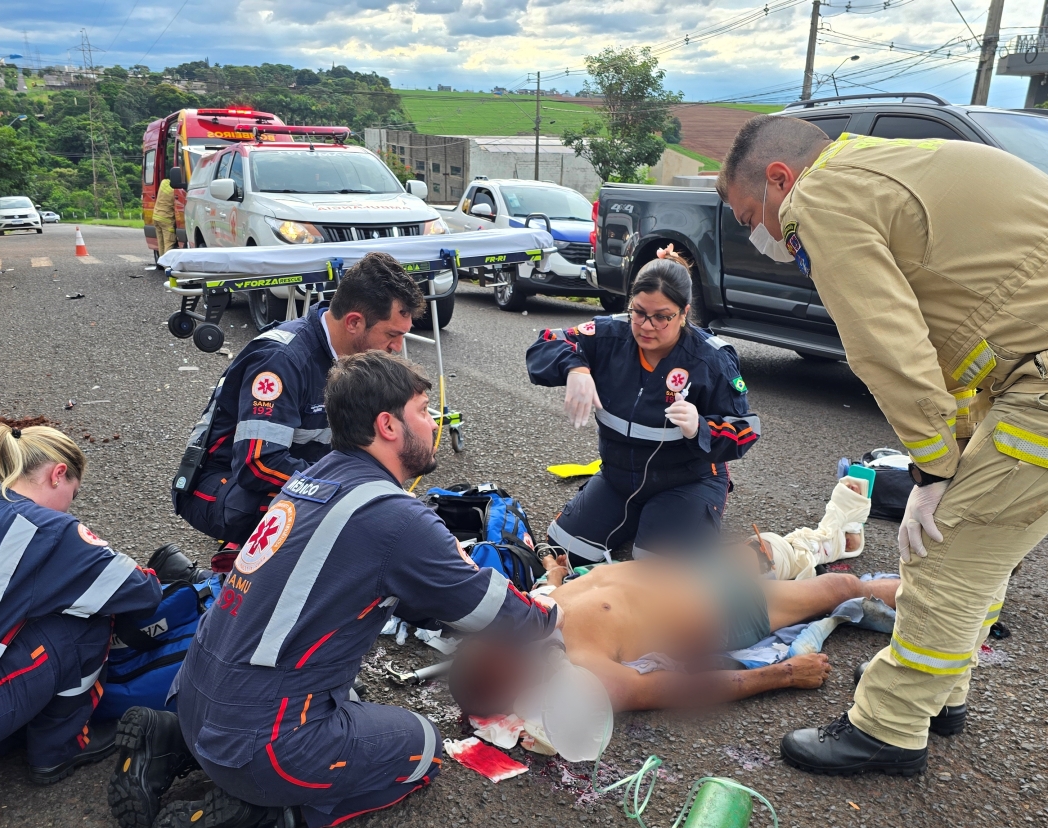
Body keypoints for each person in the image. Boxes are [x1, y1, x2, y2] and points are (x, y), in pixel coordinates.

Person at [111, 351, 559, 828]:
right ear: (388, 425)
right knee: (423, 752)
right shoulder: (397, 518)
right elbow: (499, 614)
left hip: (192, 698)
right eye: (423, 410)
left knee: (340, 688)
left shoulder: (315, 476)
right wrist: (553, 609)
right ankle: (270, 813)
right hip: (260, 743)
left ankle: (174, 742)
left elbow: (380, 588)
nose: (432, 424)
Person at [717, 114, 1048, 776]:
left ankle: (889, 727)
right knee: (980, 557)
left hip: (1035, 380)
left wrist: (931, 469)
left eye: (752, 214)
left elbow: (887, 343)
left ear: (781, 178)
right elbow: (955, 344)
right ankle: (940, 695)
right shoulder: (888, 166)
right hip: (1021, 370)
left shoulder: (822, 197)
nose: (760, 237)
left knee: (945, 553)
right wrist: (949, 452)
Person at [449, 546, 899, 717]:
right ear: (518, 687)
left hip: (687, 569)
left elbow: (546, 593)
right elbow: (681, 690)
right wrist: (785, 674)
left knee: (760, 552)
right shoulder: (582, 673)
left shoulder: (523, 617)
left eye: (487, 641)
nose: (497, 638)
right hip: (722, 608)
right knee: (842, 587)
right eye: (497, 654)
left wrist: (552, 575)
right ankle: (941, 600)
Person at [173, 252, 425, 549]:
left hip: (289, 467)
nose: (397, 347)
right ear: (354, 322)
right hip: (222, 485)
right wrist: (350, 490)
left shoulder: (357, 359)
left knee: (378, 513)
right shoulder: (281, 361)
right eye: (392, 335)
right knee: (353, 527)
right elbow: (258, 464)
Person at [526, 251, 760, 562]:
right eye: (638, 312)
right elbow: (545, 344)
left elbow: (744, 429)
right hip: (619, 478)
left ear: (684, 312)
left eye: (662, 316)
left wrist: (700, 427)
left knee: (656, 576)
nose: (646, 326)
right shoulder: (610, 334)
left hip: (686, 482)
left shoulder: (710, 358)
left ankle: (666, 519)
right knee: (561, 553)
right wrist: (576, 368)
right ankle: (642, 517)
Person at [0, 425, 162, 784]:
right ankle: (59, 748)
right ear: (59, 474)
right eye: (74, 492)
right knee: (85, 621)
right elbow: (141, 590)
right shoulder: (49, 528)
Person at [152, 177, 177, 260]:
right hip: (166, 220)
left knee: (161, 243)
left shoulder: (163, 183)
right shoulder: (175, 191)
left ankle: (162, 262)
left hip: (156, 217)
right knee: (169, 243)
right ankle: (167, 265)